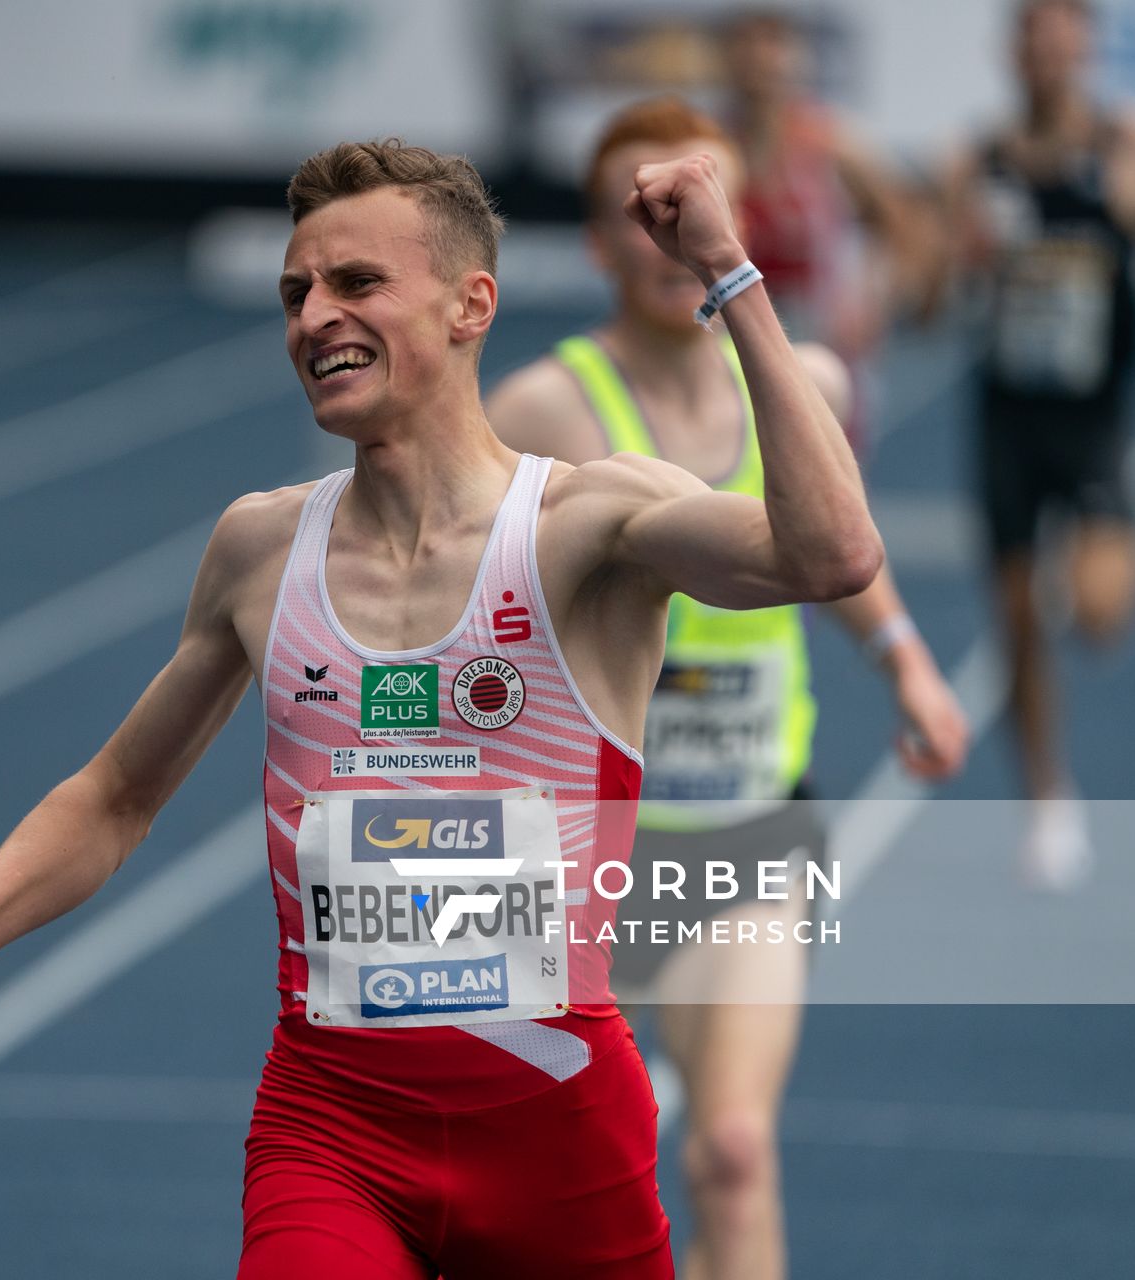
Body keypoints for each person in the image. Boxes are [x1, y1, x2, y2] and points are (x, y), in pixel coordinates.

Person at [0, 137, 884, 1278]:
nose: (314, 317)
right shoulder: (262, 546)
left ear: (470, 305)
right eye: (296, 292)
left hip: (556, 1128)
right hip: (331, 1124)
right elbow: (115, 795)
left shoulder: (588, 526)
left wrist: (730, 274)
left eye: (357, 284)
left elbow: (834, 552)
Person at [487, 97, 968, 1280]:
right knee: (535, 1186)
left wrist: (904, 658)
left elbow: (831, 547)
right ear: (599, 245)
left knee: (736, 1149)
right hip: (579, 851)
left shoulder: (800, 378)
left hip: (749, 840)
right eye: (633, 220)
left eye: (685, 213)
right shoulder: (543, 411)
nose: (661, 241)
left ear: (731, 224)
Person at [940, 0, 1135, 887]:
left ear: (1084, 48)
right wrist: (941, 266)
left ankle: (1073, 565)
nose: (1047, 55)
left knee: (1100, 617)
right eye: (1032, 38)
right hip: (1006, 418)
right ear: (1013, 53)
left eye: (1063, 38)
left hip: (1095, 421)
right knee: (1016, 620)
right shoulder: (979, 162)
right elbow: (925, 286)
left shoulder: (1132, 152)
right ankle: (1046, 799)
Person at [719, 7, 940, 455]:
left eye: (774, 46)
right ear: (729, 60)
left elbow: (911, 224)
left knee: (821, 487)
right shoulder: (715, 146)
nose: (760, 62)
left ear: (796, 60)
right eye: (749, 47)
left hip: (819, 351)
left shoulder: (828, 144)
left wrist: (875, 301)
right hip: (733, 352)